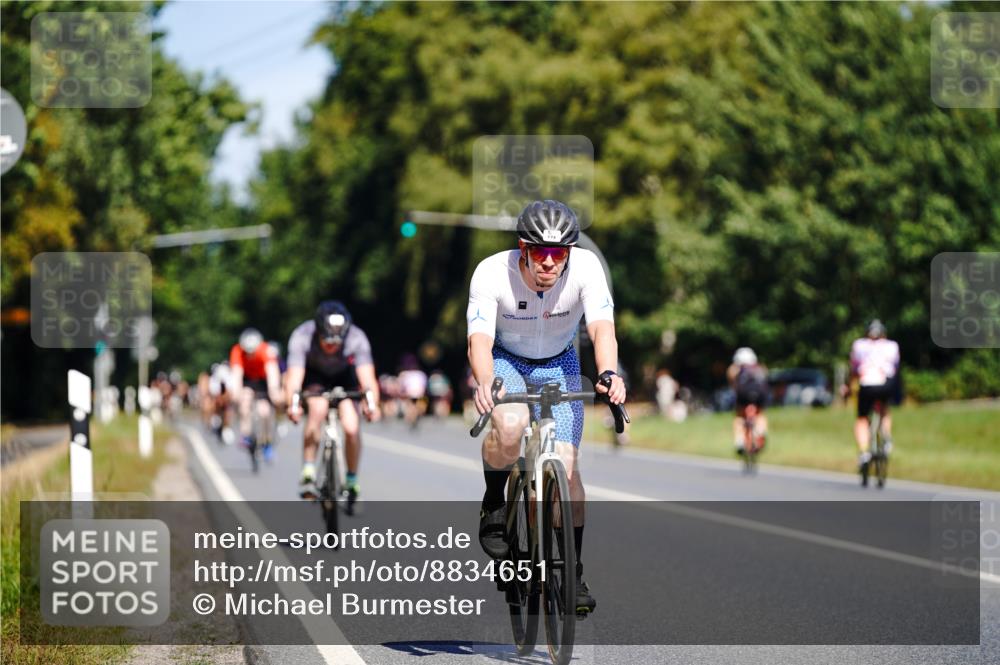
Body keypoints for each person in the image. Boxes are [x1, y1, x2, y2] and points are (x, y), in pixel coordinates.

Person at [467, 199, 626, 617]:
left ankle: (572, 572)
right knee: (512, 422)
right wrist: (486, 381)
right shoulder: (490, 272)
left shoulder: (587, 268)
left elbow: (601, 327)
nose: (550, 263)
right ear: (523, 248)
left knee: (568, 467)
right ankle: (493, 499)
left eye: (560, 254)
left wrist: (609, 373)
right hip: (507, 359)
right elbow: (479, 340)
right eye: (541, 252)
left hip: (560, 361)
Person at [285, 301, 381, 508]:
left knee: (351, 427)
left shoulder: (357, 337)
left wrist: (372, 404)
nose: (332, 346)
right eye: (327, 341)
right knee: (317, 410)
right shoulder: (302, 336)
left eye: (338, 342)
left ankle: (352, 481)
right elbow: (294, 377)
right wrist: (293, 404)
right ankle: (309, 470)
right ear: (318, 331)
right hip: (314, 378)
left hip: (345, 379)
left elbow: (367, 377)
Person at [846, 319, 900, 480]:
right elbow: (895, 368)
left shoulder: (859, 345)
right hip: (886, 383)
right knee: (884, 410)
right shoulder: (892, 345)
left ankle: (864, 453)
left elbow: (854, 368)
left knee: (862, 418)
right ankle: (887, 437)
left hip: (867, 384)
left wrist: (849, 386)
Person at [230, 328, 283, 463]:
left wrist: (274, 391)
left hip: (263, 381)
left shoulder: (266, 350)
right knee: (244, 402)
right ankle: (245, 434)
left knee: (264, 412)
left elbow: (272, 372)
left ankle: (267, 443)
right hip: (247, 380)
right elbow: (237, 373)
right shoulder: (237, 351)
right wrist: (236, 392)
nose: (250, 355)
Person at [727, 347, 769, 454]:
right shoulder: (760, 367)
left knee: (739, 417)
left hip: (743, 394)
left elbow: (732, 382)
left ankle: (739, 441)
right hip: (760, 394)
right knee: (760, 414)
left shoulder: (736, 368)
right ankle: (760, 432)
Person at [397, 353, 428, 428]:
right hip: (411, 394)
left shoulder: (420, 374)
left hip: (417, 394)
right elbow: (401, 386)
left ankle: (413, 418)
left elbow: (424, 386)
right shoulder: (405, 374)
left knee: (418, 408)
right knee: (412, 408)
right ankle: (412, 419)